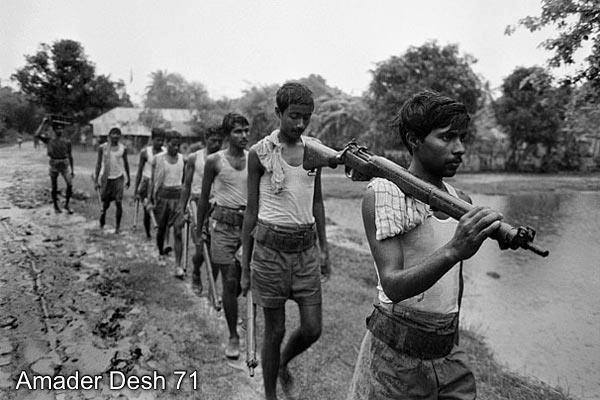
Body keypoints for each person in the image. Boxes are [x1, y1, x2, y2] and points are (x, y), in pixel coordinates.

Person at [346, 91, 503, 400]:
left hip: (446, 353)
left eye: (461, 137)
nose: (460, 148)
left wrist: (451, 334)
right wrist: (453, 249)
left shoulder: (461, 201)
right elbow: (393, 285)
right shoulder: (385, 196)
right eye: (446, 137)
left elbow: (454, 284)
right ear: (414, 139)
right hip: (395, 359)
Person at [241, 82, 330, 400]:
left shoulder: (315, 151)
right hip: (270, 253)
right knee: (274, 329)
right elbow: (251, 212)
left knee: (312, 328)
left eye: (306, 117)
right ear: (278, 113)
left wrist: (325, 249)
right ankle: (270, 396)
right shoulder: (260, 153)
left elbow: (316, 202)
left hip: (305, 251)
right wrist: (245, 267)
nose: (300, 124)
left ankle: (282, 363)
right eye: (294, 116)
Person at [196, 113, 249, 359]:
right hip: (222, 227)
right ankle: (233, 336)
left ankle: (229, 305)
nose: (244, 135)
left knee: (239, 283)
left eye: (246, 130)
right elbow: (203, 197)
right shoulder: (214, 161)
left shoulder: (254, 159)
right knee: (229, 281)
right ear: (228, 135)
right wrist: (199, 229)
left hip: (246, 229)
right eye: (238, 131)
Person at [178, 126, 224, 292]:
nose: (216, 144)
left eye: (219, 141)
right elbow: (186, 185)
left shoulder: (224, 159)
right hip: (197, 205)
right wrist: (182, 209)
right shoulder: (194, 158)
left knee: (216, 249)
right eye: (213, 141)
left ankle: (212, 287)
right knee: (200, 247)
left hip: (217, 205)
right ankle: (196, 272)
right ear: (206, 139)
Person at [149, 130, 185, 277]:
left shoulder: (183, 159)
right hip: (162, 197)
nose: (176, 148)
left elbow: (185, 182)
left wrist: (185, 201)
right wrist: (150, 198)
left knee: (178, 231)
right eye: (173, 145)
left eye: (178, 145)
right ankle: (160, 252)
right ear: (166, 143)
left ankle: (178, 265)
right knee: (162, 229)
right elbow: (153, 180)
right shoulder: (158, 159)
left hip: (178, 198)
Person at [94, 127, 131, 234]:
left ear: (120, 136)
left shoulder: (123, 148)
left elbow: (126, 163)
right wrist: (96, 180)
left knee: (118, 202)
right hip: (106, 178)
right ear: (109, 135)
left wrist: (128, 178)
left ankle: (118, 227)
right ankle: (102, 220)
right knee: (105, 204)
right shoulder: (103, 148)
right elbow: (98, 164)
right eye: (113, 133)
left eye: (117, 134)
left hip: (118, 178)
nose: (115, 136)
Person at [35, 117, 74, 214]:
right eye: (57, 129)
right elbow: (37, 135)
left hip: (64, 164)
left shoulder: (67, 141)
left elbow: (70, 156)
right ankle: (56, 206)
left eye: (61, 128)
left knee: (69, 184)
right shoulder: (49, 140)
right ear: (54, 130)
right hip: (54, 164)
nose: (59, 130)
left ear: (63, 130)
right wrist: (43, 123)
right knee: (54, 186)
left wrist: (73, 170)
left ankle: (67, 205)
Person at [134, 128, 165, 239]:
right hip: (147, 184)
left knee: (160, 211)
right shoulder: (145, 152)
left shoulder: (166, 152)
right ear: (152, 139)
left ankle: (160, 234)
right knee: (147, 211)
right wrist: (136, 190)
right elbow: (139, 172)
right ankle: (148, 234)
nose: (160, 143)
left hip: (160, 184)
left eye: (162, 140)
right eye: (158, 140)